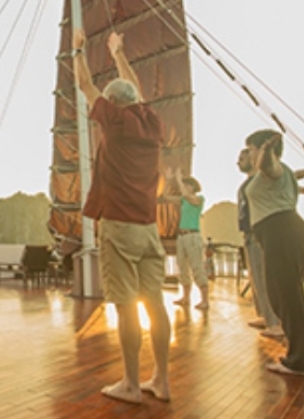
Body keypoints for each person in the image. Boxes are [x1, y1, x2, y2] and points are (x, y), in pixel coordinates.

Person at [73, 28, 171, 405]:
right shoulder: (152, 123)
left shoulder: (113, 122)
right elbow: (136, 92)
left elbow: (84, 84)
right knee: (155, 302)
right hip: (149, 228)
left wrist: (78, 49)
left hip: (118, 226)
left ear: (112, 104)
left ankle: (131, 383)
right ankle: (161, 379)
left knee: (126, 306)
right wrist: (117, 54)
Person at [244, 129, 304, 375]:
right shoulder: (281, 172)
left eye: (251, 150)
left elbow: (269, 166)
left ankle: (300, 361)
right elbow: (285, 173)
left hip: (281, 232)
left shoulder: (271, 167)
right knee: (290, 297)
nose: (251, 155)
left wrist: (266, 151)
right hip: (286, 232)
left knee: (283, 297)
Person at [238, 149, 304, 338]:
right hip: (249, 233)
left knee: (264, 278)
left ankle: (275, 323)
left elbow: (290, 176)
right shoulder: (252, 182)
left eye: (243, 157)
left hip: (260, 233)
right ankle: (265, 316)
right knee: (256, 279)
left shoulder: (263, 177)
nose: (238, 161)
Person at [160, 168, 209, 310]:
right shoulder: (183, 200)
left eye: (188, 184)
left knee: (197, 268)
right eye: (185, 184)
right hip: (181, 237)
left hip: (193, 236)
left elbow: (187, 195)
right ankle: (186, 297)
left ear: (194, 187)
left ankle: (204, 300)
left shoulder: (199, 199)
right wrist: (169, 179)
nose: (185, 187)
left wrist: (179, 180)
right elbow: (166, 196)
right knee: (182, 268)